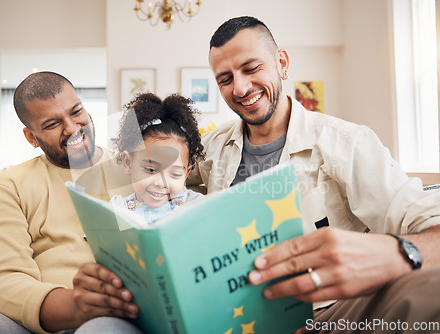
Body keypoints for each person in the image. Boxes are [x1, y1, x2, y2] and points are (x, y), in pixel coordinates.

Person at [187, 16, 440, 332]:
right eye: (225, 79)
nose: (240, 87)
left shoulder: (347, 143)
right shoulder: (210, 146)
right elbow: (151, 179)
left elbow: (433, 230)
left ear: (282, 63)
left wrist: (395, 254)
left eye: (251, 69)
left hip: (325, 313)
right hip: (232, 315)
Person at [0, 71, 142, 334]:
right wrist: (75, 307)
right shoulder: (9, 186)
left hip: (114, 316)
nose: (72, 128)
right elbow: (5, 282)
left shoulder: (134, 170)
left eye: (76, 111)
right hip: (34, 323)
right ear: (31, 138)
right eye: (51, 124)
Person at [109, 92, 205, 224]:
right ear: (128, 163)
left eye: (175, 174)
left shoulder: (197, 205)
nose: (161, 183)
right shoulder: (117, 209)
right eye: (151, 170)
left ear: (186, 173)